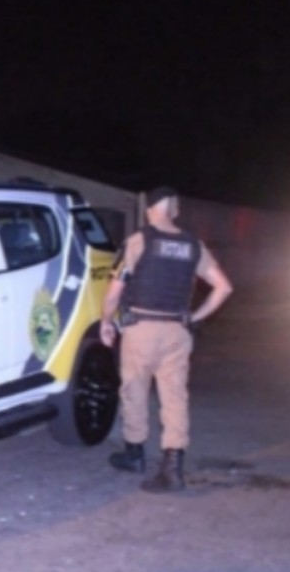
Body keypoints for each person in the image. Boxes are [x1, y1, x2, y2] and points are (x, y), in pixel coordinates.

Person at [100, 186, 233, 492]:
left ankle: (134, 454)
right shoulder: (193, 245)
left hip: (141, 328)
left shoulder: (138, 241)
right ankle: (173, 467)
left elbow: (114, 291)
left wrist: (106, 321)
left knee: (134, 390)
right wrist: (195, 317)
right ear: (175, 210)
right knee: (174, 396)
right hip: (177, 330)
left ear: (149, 210)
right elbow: (223, 287)